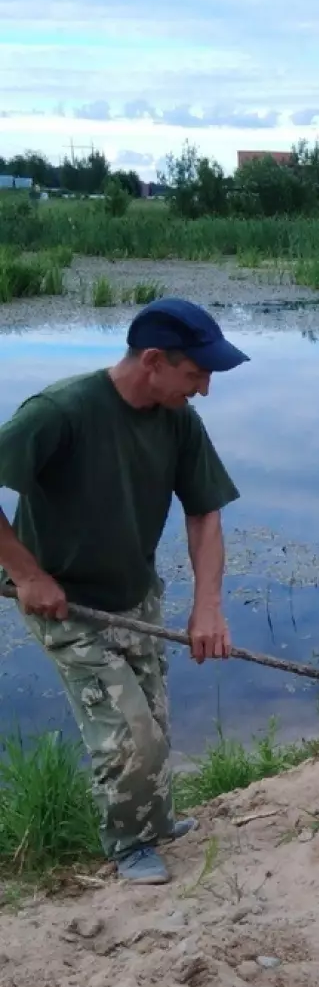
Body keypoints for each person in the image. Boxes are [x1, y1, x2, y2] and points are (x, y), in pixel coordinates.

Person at [0, 298, 248, 884]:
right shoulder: (60, 412)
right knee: (129, 736)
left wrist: (207, 606)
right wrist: (28, 575)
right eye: (196, 375)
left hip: (136, 594)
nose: (205, 389)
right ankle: (127, 844)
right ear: (154, 361)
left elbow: (205, 514)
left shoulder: (180, 422)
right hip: (68, 605)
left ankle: (155, 821)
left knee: (155, 727)